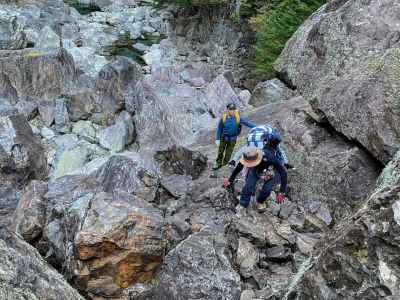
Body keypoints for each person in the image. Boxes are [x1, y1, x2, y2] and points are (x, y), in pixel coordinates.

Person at [223, 142, 288, 215]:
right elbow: (238, 168)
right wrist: (230, 180)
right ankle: (243, 204)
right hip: (256, 169)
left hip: (272, 170)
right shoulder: (247, 155)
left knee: (267, 188)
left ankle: (260, 202)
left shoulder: (270, 157)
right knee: (248, 186)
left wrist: (282, 191)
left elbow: (283, 173)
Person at [213, 103, 256, 170]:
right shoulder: (223, 118)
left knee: (228, 153)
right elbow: (219, 128)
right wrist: (217, 139)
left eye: (233, 109)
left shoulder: (238, 117)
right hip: (224, 138)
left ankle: (224, 164)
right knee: (220, 151)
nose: (232, 111)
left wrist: (257, 127)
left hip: (233, 139)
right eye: (230, 109)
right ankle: (218, 163)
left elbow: (247, 123)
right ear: (227, 110)